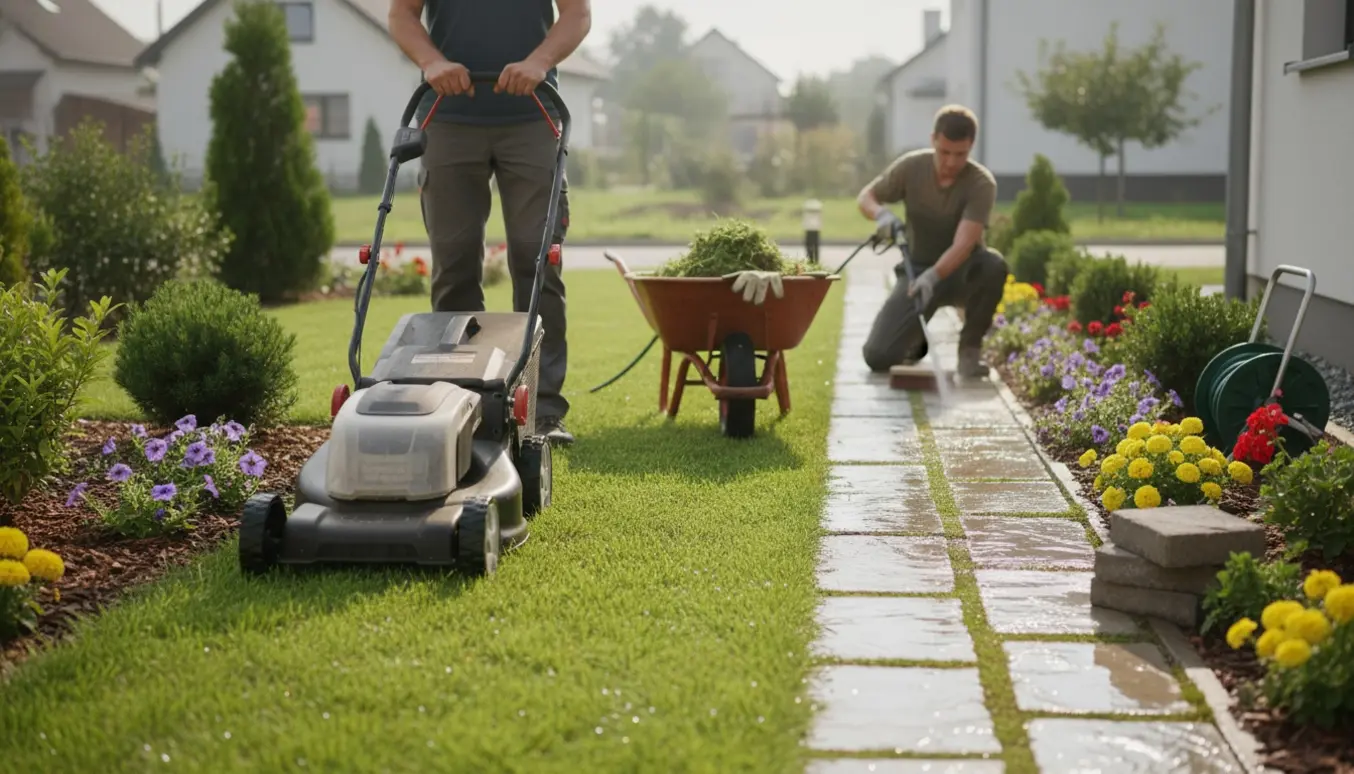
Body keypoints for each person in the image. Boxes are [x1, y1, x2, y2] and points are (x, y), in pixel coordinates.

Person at [388, 0, 591, 447]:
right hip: (449, 116)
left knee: (537, 260)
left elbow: (577, 14)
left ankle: (542, 409)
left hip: (533, 116)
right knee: (454, 263)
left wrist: (538, 62)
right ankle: (461, 400)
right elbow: (402, 14)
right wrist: (433, 62)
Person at [856, 104, 1008, 380]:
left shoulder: (981, 183)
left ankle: (969, 353)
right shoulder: (911, 167)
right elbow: (866, 197)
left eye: (960, 154)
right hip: (916, 272)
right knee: (877, 356)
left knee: (993, 265)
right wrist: (881, 215)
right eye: (944, 152)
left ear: (971, 146)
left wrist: (934, 277)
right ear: (933, 140)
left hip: (962, 272)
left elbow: (964, 244)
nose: (951, 162)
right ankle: (915, 342)